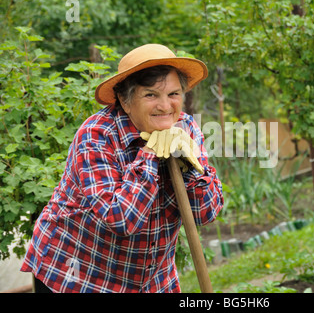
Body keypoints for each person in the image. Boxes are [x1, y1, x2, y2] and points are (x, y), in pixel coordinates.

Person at [20, 44, 224, 293]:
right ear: (125, 101)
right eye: (150, 95)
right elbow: (121, 220)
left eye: (173, 94)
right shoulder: (97, 135)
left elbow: (206, 213)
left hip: (149, 278)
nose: (165, 106)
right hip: (78, 274)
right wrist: (149, 155)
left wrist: (192, 168)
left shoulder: (186, 129)